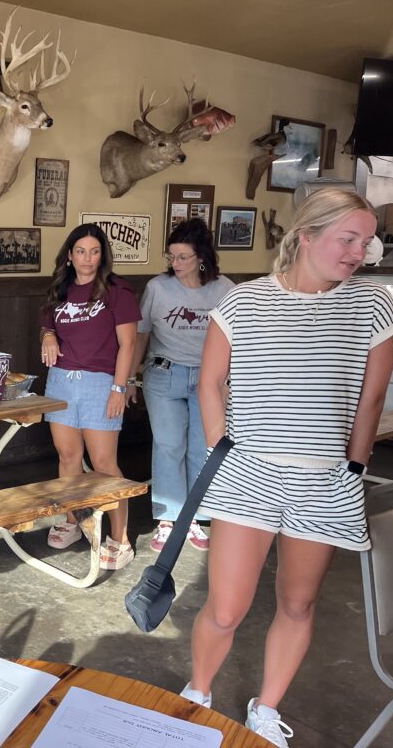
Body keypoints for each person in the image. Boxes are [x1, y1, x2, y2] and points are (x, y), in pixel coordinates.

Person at [181, 189, 393, 746]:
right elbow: (210, 383)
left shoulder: (374, 306)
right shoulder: (243, 302)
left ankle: (265, 709)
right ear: (306, 235)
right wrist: (219, 448)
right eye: (346, 238)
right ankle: (198, 694)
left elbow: (370, 402)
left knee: (298, 603)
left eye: (365, 240)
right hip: (248, 473)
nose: (358, 251)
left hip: (327, 478)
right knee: (227, 607)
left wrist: (353, 467)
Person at [129, 218, 235, 552]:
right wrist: (132, 378)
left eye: (183, 257)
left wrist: (231, 381)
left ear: (201, 257)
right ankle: (168, 519)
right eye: (172, 256)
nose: (175, 264)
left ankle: (197, 517)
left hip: (209, 378)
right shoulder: (158, 288)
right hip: (164, 374)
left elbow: (237, 339)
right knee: (169, 446)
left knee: (202, 448)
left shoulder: (225, 289)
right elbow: (142, 335)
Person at [39, 224, 141, 569]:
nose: (87, 258)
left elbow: (129, 343)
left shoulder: (117, 291)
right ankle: (71, 520)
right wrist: (48, 335)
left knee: (103, 464)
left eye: (94, 251)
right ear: (69, 255)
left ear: (102, 255)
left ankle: (121, 538)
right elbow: (47, 321)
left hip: (101, 382)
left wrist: (119, 387)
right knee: (68, 456)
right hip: (61, 381)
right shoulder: (60, 289)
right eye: (80, 251)